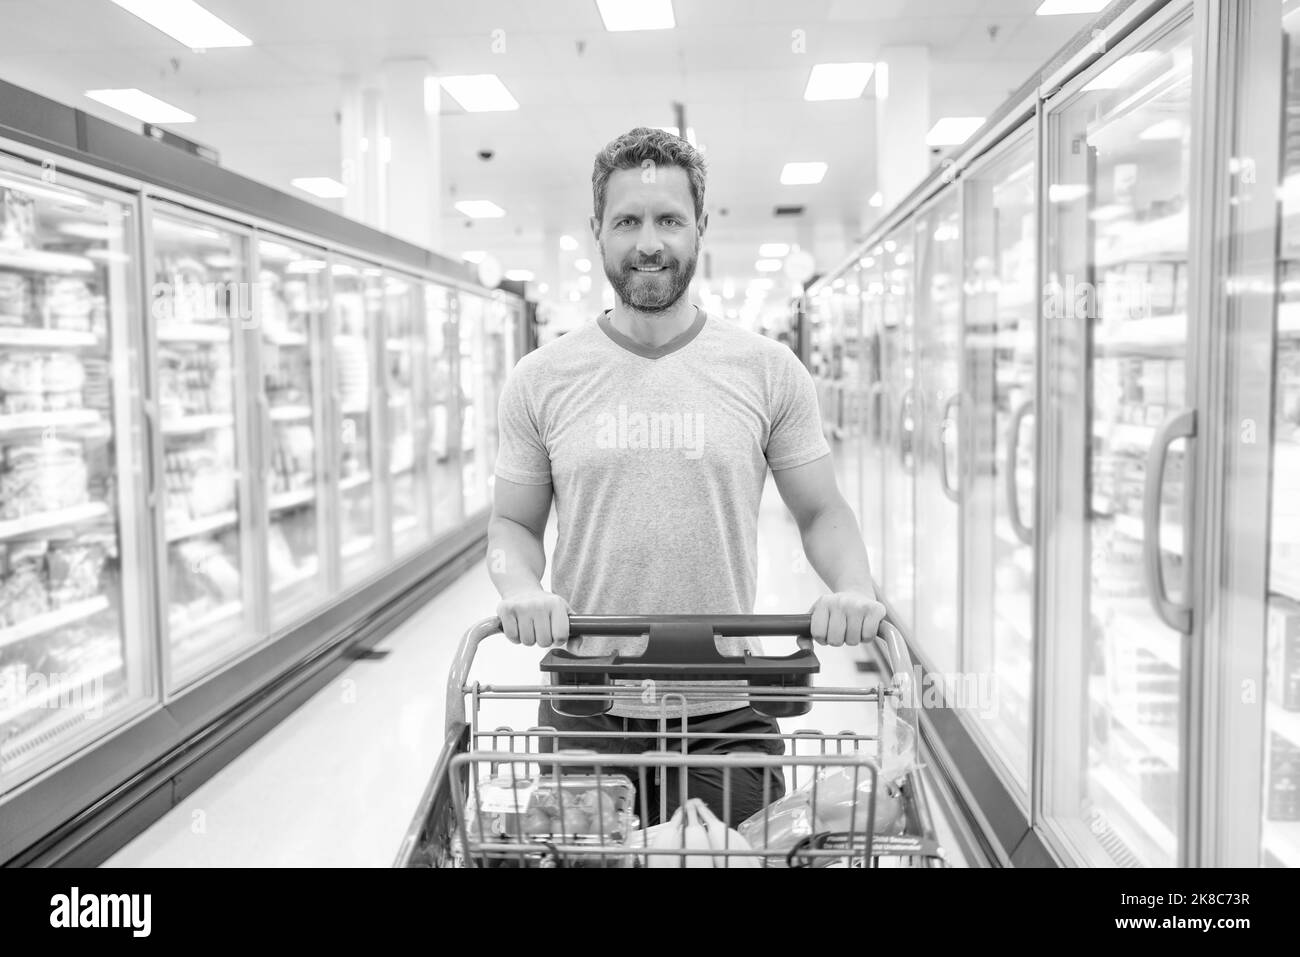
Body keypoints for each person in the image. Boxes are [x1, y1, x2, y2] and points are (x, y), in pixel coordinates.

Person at [487, 126, 886, 826]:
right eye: (628, 221)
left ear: (699, 226)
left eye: (669, 219)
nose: (649, 242)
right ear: (597, 231)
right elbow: (512, 523)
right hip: (586, 699)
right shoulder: (540, 379)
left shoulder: (768, 371)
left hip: (728, 705)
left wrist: (853, 588)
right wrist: (519, 584)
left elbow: (822, 510)